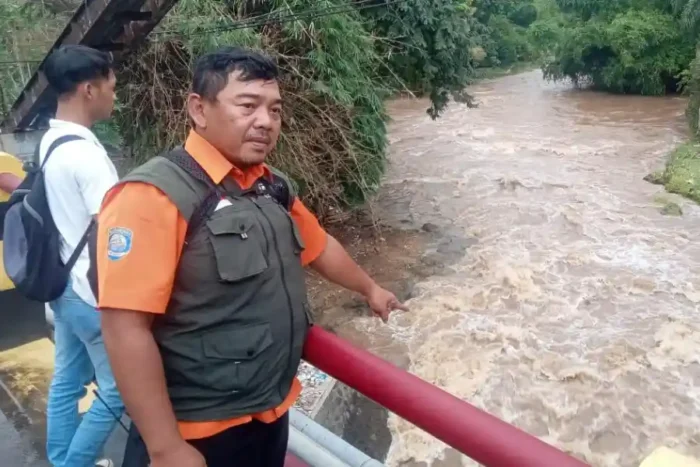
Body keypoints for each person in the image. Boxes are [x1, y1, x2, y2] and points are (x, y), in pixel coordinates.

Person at [98, 47, 407, 467]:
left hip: (269, 414)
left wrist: (370, 288)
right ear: (199, 109)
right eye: (248, 106)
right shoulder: (153, 196)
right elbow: (124, 328)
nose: (266, 121)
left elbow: (318, 246)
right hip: (198, 432)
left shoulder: (270, 186)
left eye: (275, 110)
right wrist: (166, 447)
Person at [41, 45, 123, 467]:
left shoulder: (52, 141)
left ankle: (60, 460)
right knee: (119, 390)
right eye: (111, 85)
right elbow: (114, 235)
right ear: (89, 89)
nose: (115, 94)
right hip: (91, 293)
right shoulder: (86, 156)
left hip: (64, 286)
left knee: (68, 382)